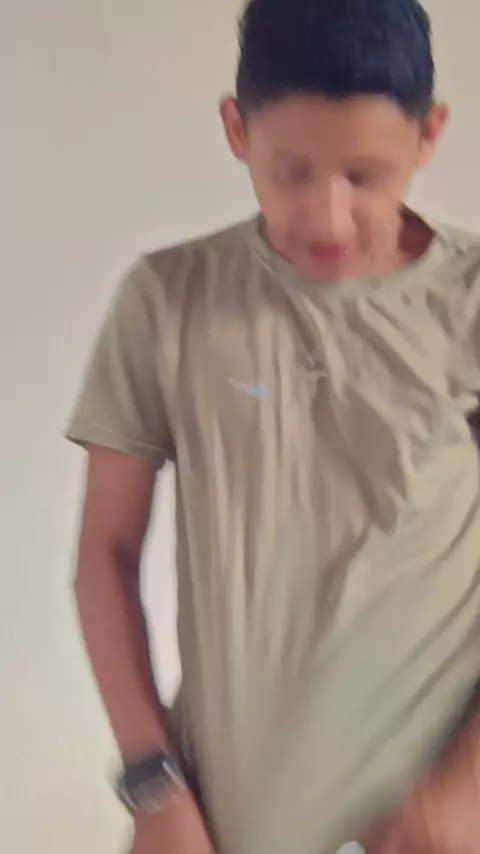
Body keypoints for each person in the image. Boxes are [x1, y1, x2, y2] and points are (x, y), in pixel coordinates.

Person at [67, 1, 480, 852]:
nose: (327, 217)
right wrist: (153, 786)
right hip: (218, 822)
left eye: (365, 175)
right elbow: (104, 555)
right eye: (292, 173)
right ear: (236, 130)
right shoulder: (170, 300)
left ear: (429, 135)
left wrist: (464, 790)